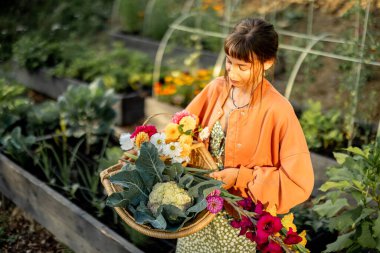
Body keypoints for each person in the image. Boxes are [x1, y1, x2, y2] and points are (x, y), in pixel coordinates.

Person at [176, 18, 314, 253]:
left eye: (243, 66)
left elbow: (298, 182)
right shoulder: (216, 89)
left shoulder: (278, 110)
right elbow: (179, 131)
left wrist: (240, 177)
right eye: (229, 62)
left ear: (267, 62)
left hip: (240, 222)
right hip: (197, 210)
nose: (233, 72)